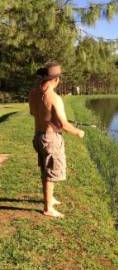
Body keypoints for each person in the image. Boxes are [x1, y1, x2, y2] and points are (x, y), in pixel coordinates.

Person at [29, 62, 85, 218]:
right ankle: (48, 208)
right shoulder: (54, 98)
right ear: (56, 79)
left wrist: (50, 120)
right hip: (50, 139)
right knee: (51, 172)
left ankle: (50, 199)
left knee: (45, 169)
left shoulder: (33, 93)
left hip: (38, 136)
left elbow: (33, 112)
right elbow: (65, 126)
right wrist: (78, 132)